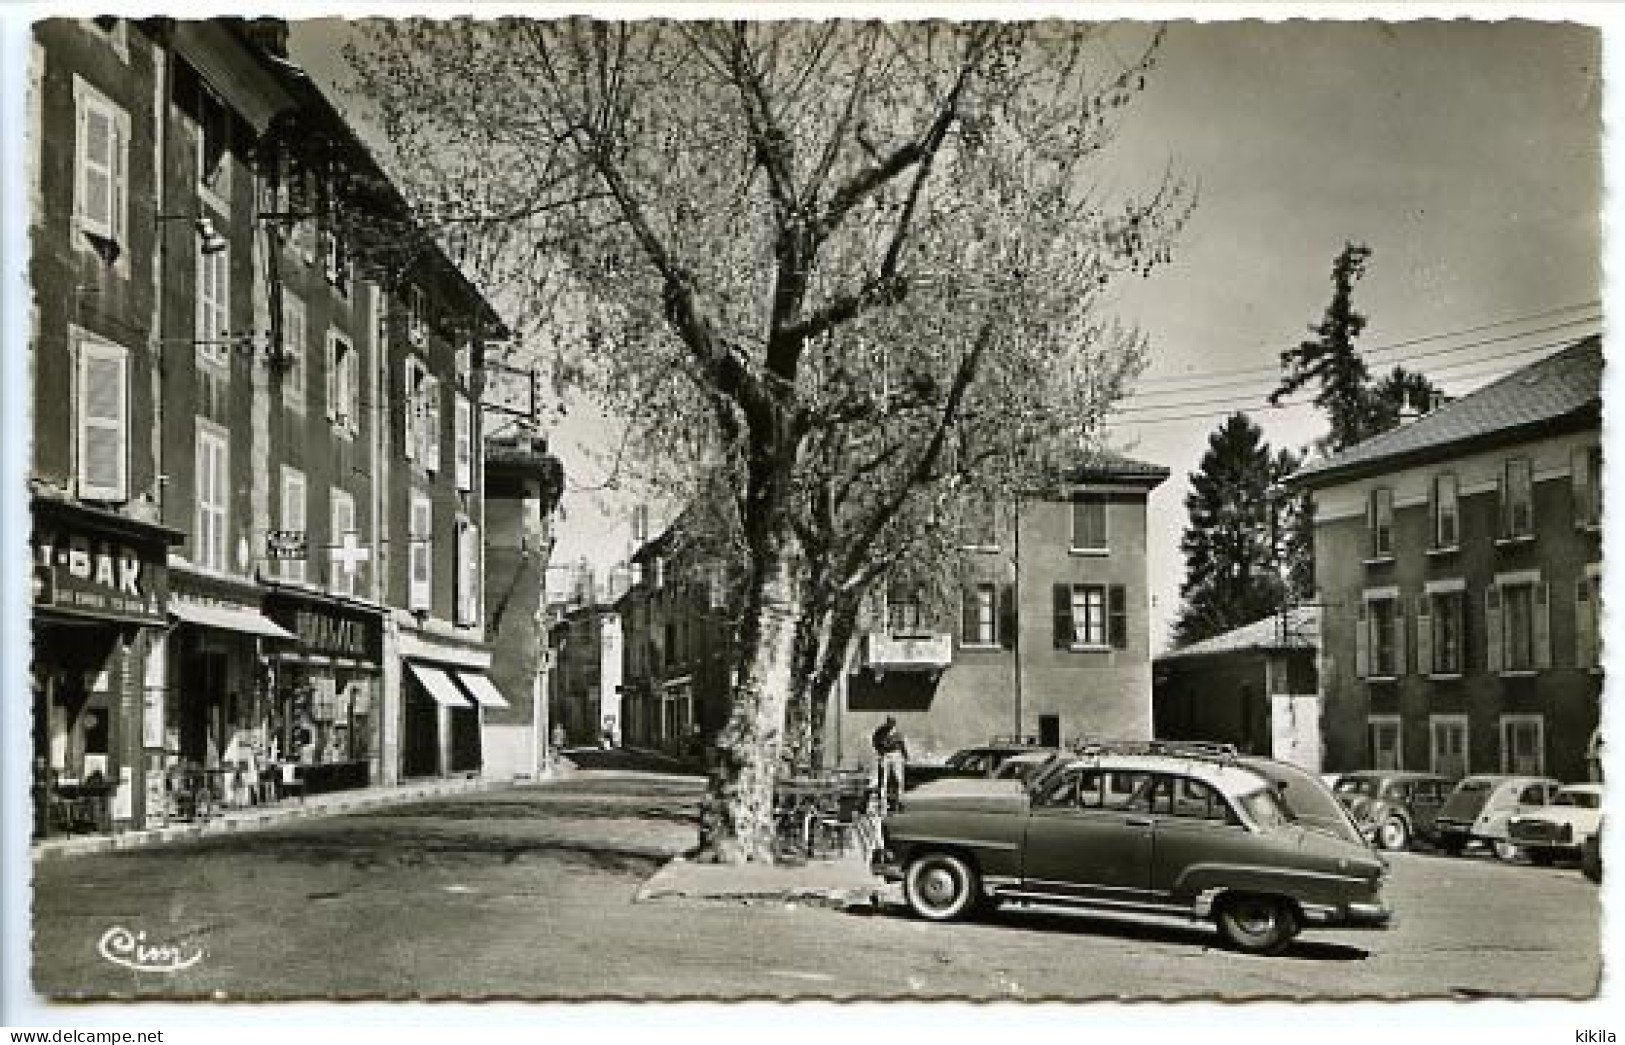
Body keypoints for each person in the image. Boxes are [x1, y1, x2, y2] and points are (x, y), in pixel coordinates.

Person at [872, 716, 909, 811]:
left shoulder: (897, 733)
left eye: (893, 723)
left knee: (898, 779)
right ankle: (882, 801)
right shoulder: (880, 732)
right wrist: (880, 752)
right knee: (883, 779)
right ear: (887, 723)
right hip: (886, 755)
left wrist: (905, 755)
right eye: (890, 723)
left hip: (895, 755)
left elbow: (902, 744)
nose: (891, 725)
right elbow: (875, 743)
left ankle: (899, 801)